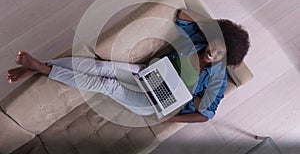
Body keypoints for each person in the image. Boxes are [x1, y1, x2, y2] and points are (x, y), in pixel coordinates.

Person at [7, 10, 250, 123]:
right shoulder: (197, 39)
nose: (213, 52)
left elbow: (205, 116)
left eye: (220, 54)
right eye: (215, 45)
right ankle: (40, 67)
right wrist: (212, 27)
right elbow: (182, 15)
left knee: (107, 85)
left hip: (155, 101)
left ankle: (43, 67)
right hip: (148, 73)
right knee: (103, 67)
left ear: (225, 60)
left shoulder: (216, 81)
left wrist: (169, 119)